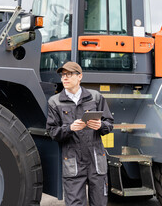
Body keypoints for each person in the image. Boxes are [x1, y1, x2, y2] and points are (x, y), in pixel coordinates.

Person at [46, 61, 114, 206]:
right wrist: (70, 128)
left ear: (79, 77)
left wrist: (101, 125)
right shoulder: (55, 102)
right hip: (72, 159)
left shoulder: (95, 97)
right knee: (75, 203)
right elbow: (52, 132)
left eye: (69, 74)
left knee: (100, 202)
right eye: (63, 75)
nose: (65, 78)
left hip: (96, 158)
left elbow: (109, 123)